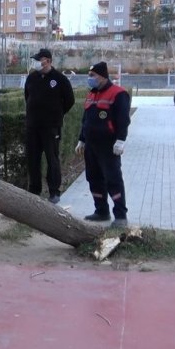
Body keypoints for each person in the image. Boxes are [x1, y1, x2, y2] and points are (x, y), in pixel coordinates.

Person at [75, 61, 131, 228]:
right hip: (91, 146)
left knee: (113, 179)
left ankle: (120, 215)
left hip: (109, 146)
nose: (89, 78)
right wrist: (81, 139)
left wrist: (121, 140)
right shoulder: (92, 93)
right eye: (89, 75)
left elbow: (123, 120)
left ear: (102, 76)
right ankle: (101, 211)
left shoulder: (118, 94)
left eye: (92, 76)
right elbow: (86, 120)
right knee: (93, 178)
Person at [23, 48, 75, 204]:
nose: (37, 63)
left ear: (48, 61)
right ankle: (34, 189)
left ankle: (54, 191)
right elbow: (27, 97)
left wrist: (56, 114)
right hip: (33, 126)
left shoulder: (59, 79)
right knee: (33, 158)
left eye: (40, 60)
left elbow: (69, 101)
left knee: (52, 158)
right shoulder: (31, 78)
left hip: (51, 127)